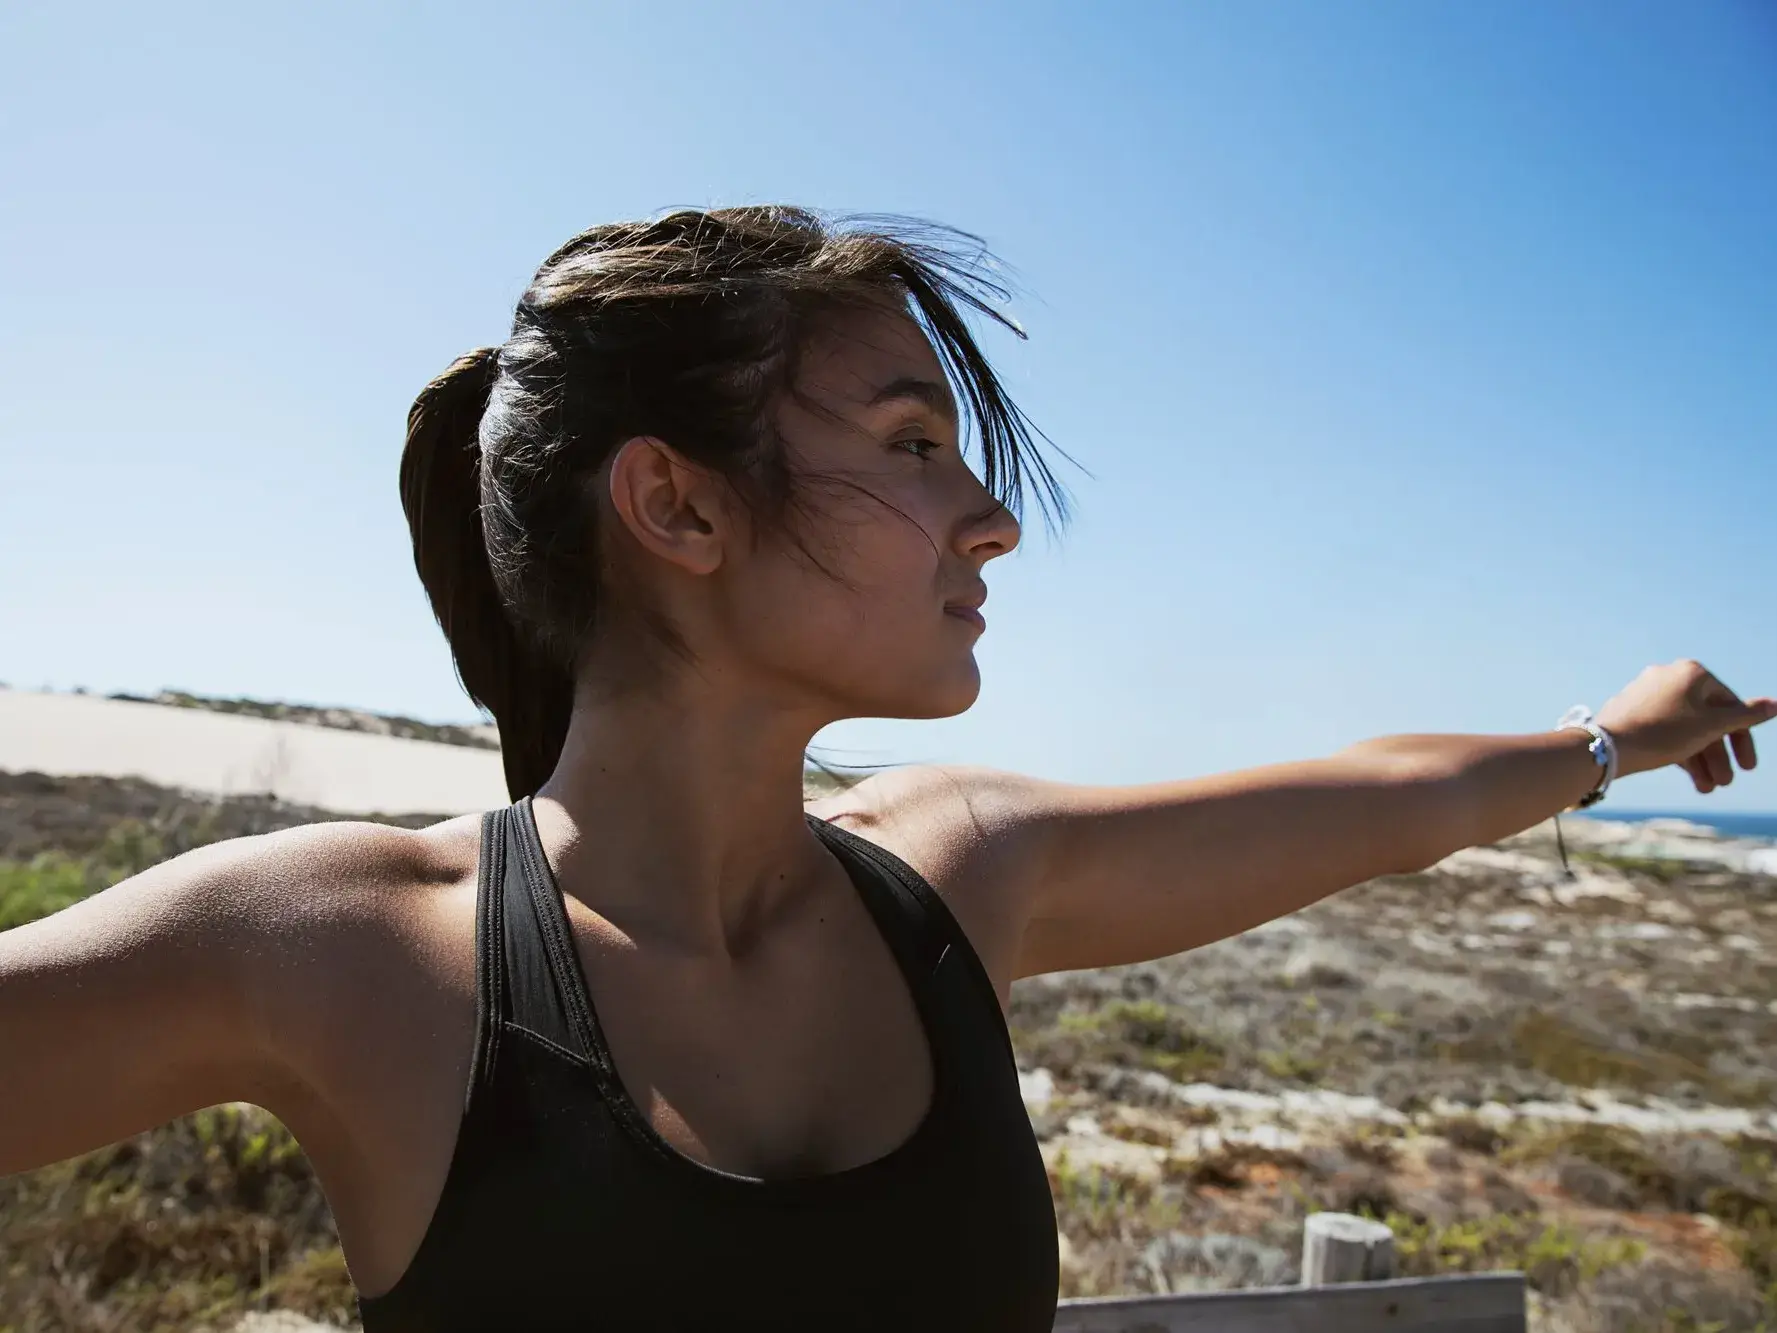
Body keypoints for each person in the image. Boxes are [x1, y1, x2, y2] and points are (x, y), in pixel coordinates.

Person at [2, 206, 1771, 1332]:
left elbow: (1392, 802)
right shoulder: (338, 953)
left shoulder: (957, 873)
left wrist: (1620, 727)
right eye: (913, 445)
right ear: (676, 503)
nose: (991, 520)